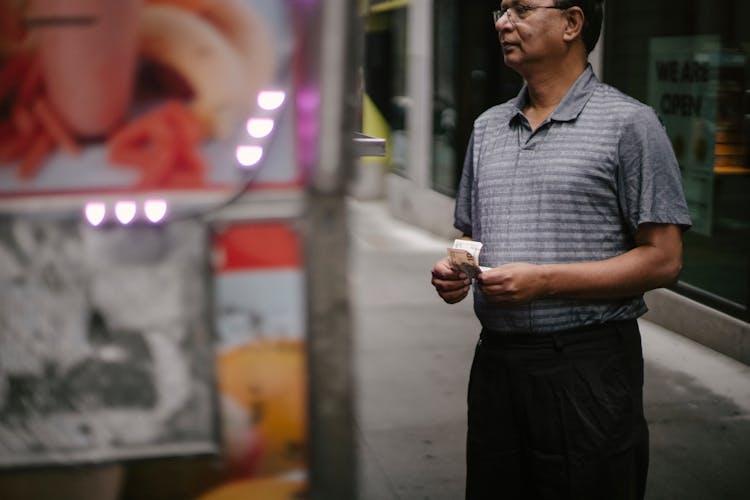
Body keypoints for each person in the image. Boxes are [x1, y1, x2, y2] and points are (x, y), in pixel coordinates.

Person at [429, 1, 692, 499]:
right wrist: (455, 270)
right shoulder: (487, 127)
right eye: (500, 10)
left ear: (572, 23)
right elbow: (469, 233)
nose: (504, 22)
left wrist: (546, 281)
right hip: (497, 369)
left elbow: (664, 258)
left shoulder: (629, 124)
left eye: (522, 8)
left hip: (587, 370)